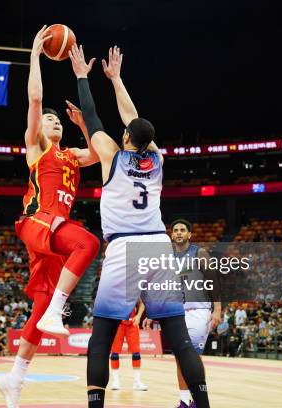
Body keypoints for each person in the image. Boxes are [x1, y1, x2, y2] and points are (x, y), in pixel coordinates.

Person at [69, 44, 210, 408]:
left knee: (101, 335)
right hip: (158, 247)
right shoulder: (158, 160)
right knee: (178, 336)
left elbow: (92, 115)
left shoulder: (112, 155)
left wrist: (83, 76)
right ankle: (203, 404)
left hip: (125, 248)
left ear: (127, 139)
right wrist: (117, 80)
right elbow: (134, 118)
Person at [0, 26, 101, 408]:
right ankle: (59, 308)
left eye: (58, 121)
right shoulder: (37, 149)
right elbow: (36, 98)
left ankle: (14, 379)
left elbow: (99, 153)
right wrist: (35, 56)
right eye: (50, 120)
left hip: (54, 234)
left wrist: (84, 125)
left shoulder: (73, 155)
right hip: (38, 221)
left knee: (39, 309)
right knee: (89, 242)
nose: (54, 122)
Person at [170, 219, 222, 408]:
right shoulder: (168, 257)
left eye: (183, 230)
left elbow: (213, 281)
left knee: (192, 357)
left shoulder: (199, 253)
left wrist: (217, 309)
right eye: (175, 230)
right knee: (179, 357)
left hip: (198, 311)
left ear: (189, 235)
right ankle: (184, 401)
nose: (178, 233)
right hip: (176, 313)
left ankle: (198, 401)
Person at [109, 299, 148, 391]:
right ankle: (115, 380)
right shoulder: (116, 289)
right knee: (114, 353)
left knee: (136, 354)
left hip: (132, 323)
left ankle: (137, 382)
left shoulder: (134, 288)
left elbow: (142, 303)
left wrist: (138, 316)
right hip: (118, 323)